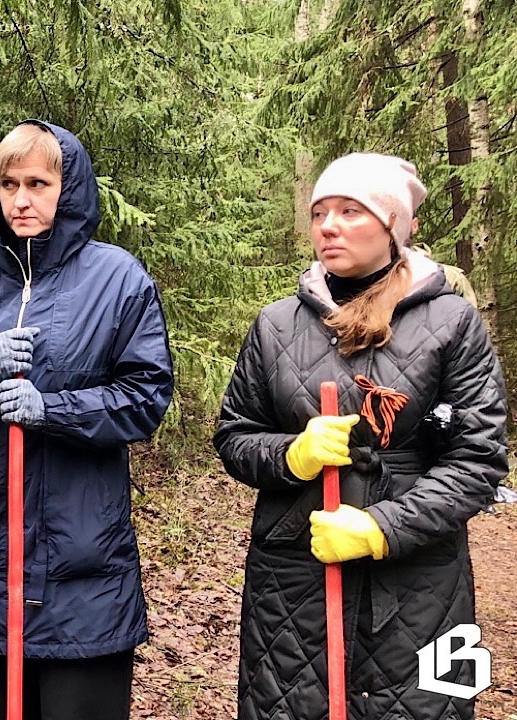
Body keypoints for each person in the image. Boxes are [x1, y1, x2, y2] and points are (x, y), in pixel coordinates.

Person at [213, 152, 509, 720]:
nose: (328, 225)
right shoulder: (277, 325)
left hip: (422, 584)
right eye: (321, 211)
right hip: (294, 581)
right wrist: (291, 454)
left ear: (393, 223)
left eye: (351, 211)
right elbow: (235, 436)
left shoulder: (451, 322)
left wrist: (380, 527)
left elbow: (479, 459)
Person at [0, 121, 174, 720]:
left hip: (81, 568)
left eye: (38, 182)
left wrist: (50, 409)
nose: (21, 199)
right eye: (8, 184)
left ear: (69, 188)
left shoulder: (117, 278)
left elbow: (146, 396)